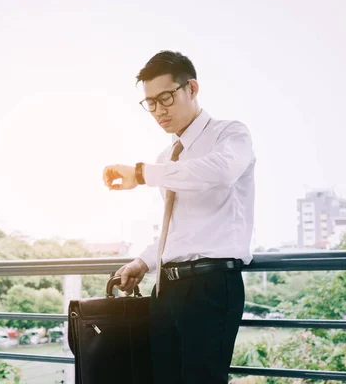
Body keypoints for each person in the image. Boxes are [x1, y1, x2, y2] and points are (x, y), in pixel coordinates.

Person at [102, 50, 255, 384]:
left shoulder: (230, 134)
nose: (158, 111)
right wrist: (143, 263)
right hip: (166, 289)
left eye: (166, 98)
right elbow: (177, 229)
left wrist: (143, 174)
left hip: (210, 284)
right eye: (150, 103)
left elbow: (222, 171)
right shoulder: (166, 158)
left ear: (192, 88)